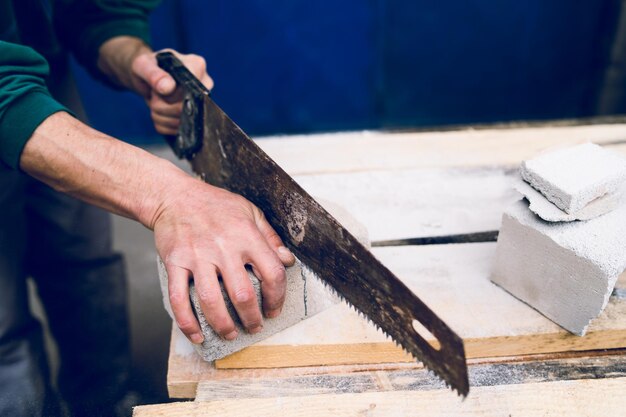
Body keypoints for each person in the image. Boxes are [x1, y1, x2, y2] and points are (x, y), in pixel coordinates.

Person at [0, 1, 294, 416]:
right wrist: (168, 194)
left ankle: (104, 402)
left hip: (35, 71)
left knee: (83, 261)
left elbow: (91, 13)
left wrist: (138, 63)